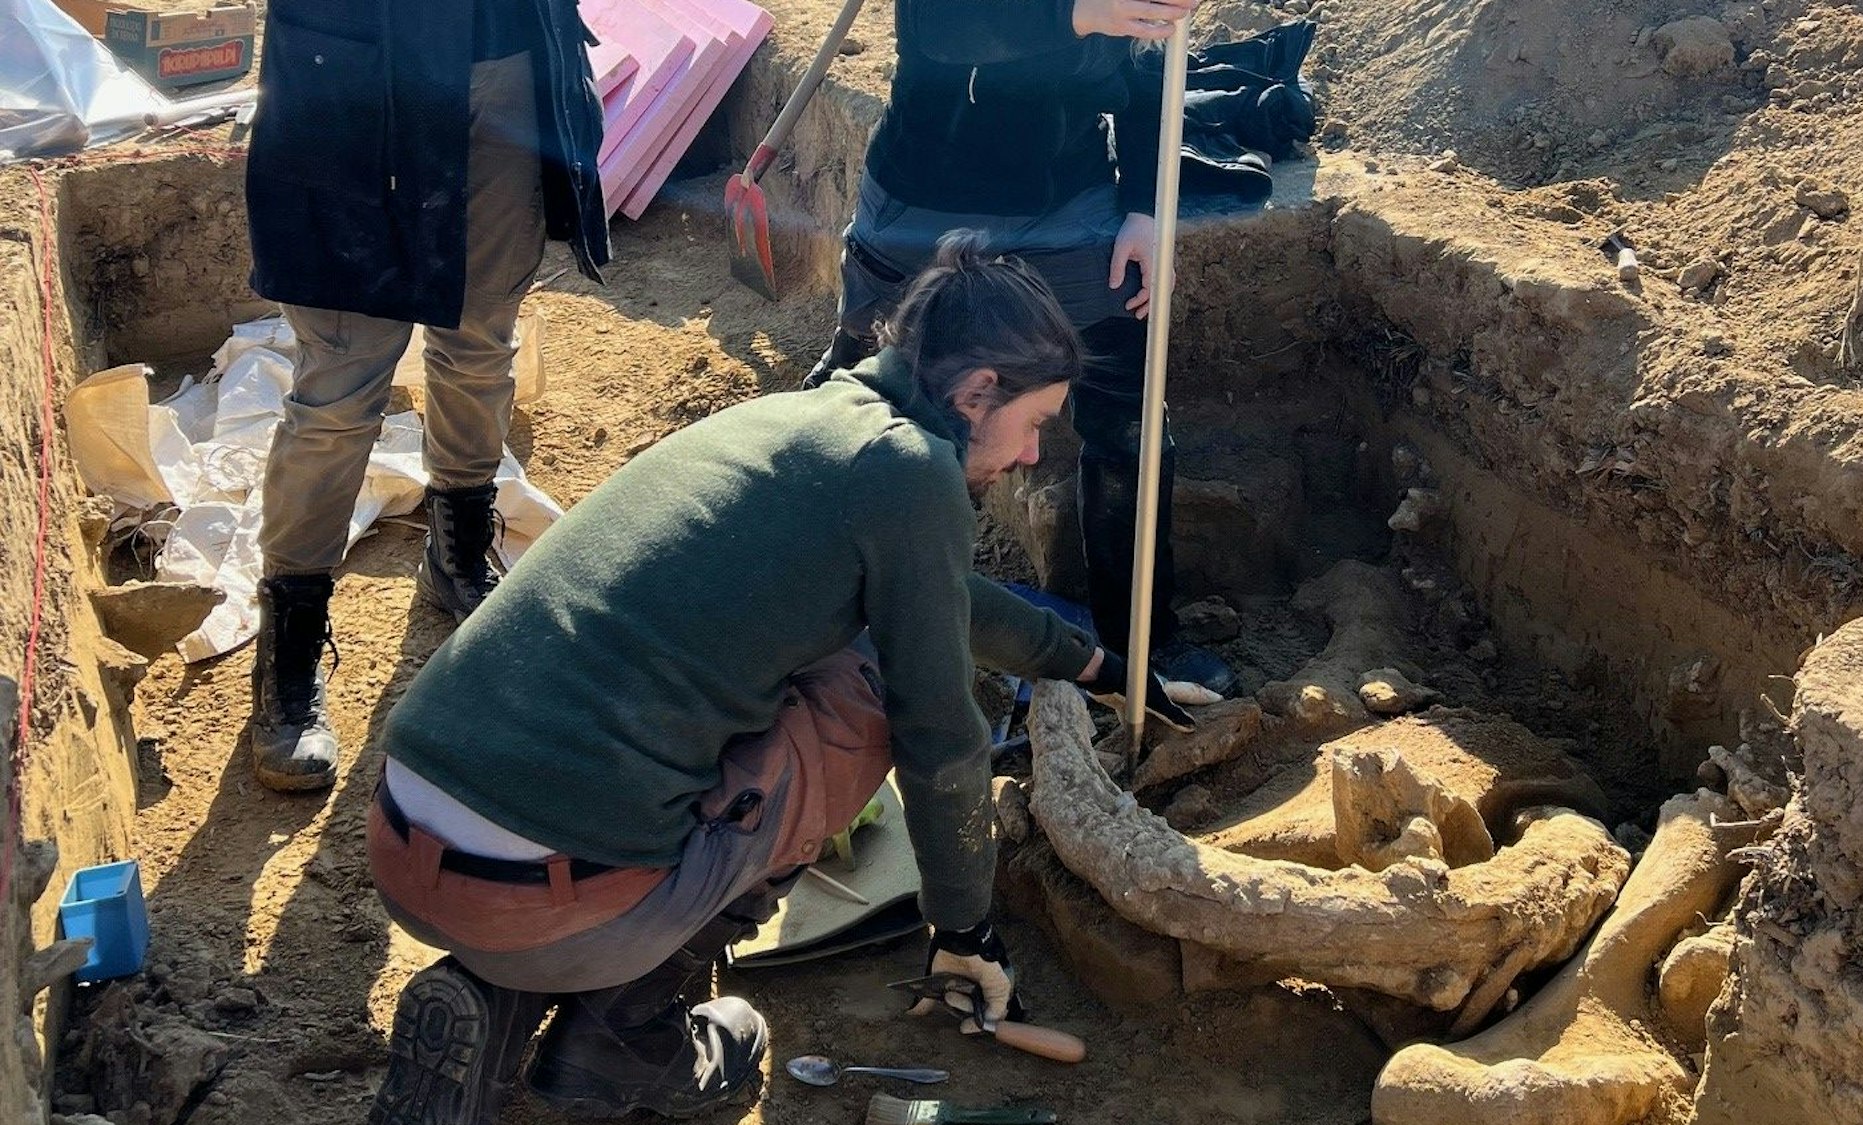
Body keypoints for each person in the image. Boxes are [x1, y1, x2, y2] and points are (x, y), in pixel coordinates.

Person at [364, 236, 1194, 1125]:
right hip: (548, 898)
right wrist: (963, 928)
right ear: (976, 390)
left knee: (744, 700)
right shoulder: (911, 474)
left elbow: (945, 593)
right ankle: (624, 1033)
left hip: (408, 836)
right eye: (1033, 425)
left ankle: (501, 1002)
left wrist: (1095, 663)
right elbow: (942, 737)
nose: (1032, 456)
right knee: (865, 701)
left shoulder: (811, 424)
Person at [799, 0, 1238, 699]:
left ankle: (1141, 638)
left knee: (1127, 405)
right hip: (927, 191)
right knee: (886, 396)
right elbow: (935, 27)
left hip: (1065, 192)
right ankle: (825, 611)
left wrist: (1150, 209)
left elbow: (1154, 69)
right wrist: (1079, 12)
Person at [240, 0, 610, 792]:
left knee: (480, 342)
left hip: (506, 61)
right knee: (340, 386)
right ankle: (291, 641)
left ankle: (460, 547)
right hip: (358, 76)